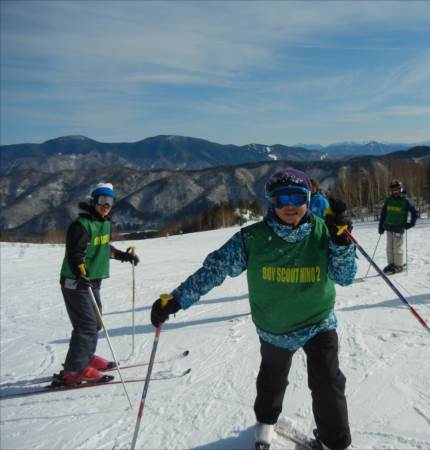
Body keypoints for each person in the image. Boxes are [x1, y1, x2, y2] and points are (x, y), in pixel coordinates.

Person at [150, 169, 356, 450]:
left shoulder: (324, 233)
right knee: (272, 379)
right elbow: (215, 270)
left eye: (297, 197)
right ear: (271, 201)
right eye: (281, 198)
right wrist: (176, 300)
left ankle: (335, 441)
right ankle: (266, 421)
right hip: (274, 327)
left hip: (317, 321)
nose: (289, 206)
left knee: (328, 383)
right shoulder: (252, 239)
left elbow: (345, 276)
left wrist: (342, 242)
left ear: (309, 199)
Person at [57, 182, 140, 385]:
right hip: (76, 282)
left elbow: (103, 247)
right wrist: (81, 273)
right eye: (102, 201)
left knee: (94, 322)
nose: (106, 205)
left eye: (109, 201)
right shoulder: (81, 225)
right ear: (94, 201)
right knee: (85, 325)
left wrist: (122, 256)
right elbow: (75, 253)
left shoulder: (103, 223)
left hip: (92, 280)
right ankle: (74, 370)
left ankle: (86, 357)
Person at [378, 179, 418, 274]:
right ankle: (391, 264)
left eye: (397, 189)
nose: (395, 191)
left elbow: (414, 212)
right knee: (389, 247)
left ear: (401, 189)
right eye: (393, 190)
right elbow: (383, 213)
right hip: (388, 227)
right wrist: (381, 225)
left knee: (397, 248)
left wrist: (411, 223)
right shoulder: (389, 200)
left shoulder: (405, 201)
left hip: (399, 228)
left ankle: (398, 265)